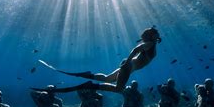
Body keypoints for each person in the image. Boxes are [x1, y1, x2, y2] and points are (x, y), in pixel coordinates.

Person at [32, 27, 161, 93]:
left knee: (107, 78)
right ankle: (91, 85)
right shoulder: (150, 44)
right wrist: (127, 63)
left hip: (128, 66)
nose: (157, 35)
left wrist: (127, 63)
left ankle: (88, 75)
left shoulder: (152, 43)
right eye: (155, 34)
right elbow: (136, 49)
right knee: (118, 89)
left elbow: (140, 48)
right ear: (151, 36)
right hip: (128, 67)